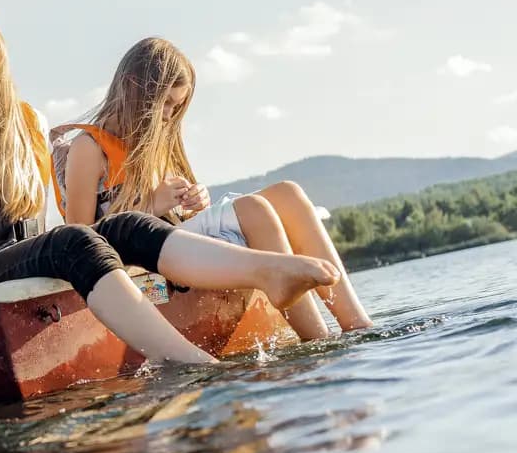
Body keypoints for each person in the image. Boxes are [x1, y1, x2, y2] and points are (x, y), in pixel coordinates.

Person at [0, 5, 338, 365]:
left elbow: (33, 230)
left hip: (20, 260)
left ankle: (265, 271)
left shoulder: (29, 124)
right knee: (73, 239)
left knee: (125, 226)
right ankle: (193, 363)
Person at [53, 37, 373, 338]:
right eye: (164, 103)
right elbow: (79, 240)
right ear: (132, 86)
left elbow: (173, 215)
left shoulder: (153, 142)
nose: (168, 115)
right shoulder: (89, 147)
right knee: (254, 210)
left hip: (177, 242)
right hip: (142, 255)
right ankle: (317, 341)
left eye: (176, 106)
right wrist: (152, 205)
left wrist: (195, 200)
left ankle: (357, 325)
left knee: (289, 194)